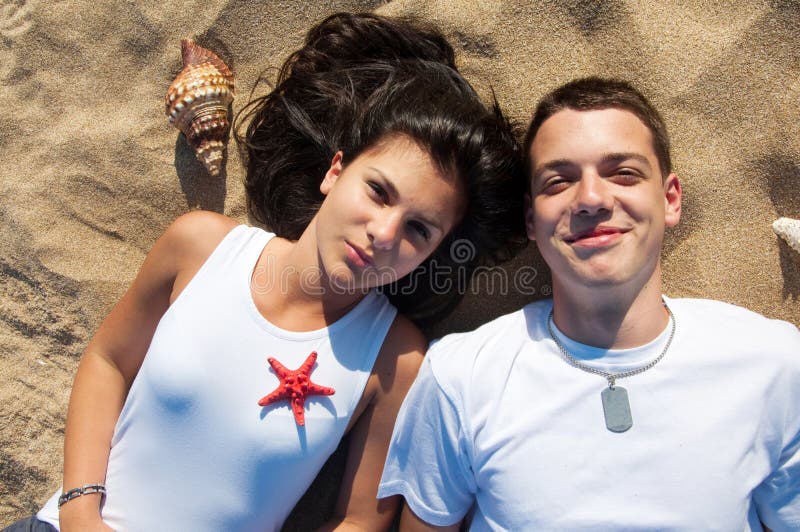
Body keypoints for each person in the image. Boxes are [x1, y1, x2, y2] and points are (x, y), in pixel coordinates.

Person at [8, 13, 526, 532]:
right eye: (378, 191)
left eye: (419, 229)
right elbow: (108, 361)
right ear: (336, 170)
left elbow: (359, 521)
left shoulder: (396, 359)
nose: (385, 233)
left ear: (433, 251)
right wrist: (79, 512)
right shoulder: (200, 245)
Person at [379, 77, 800, 530]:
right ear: (530, 220)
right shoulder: (460, 376)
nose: (592, 199)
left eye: (623, 173)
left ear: (670, 199)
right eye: (559, 181)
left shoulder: (774, 362)